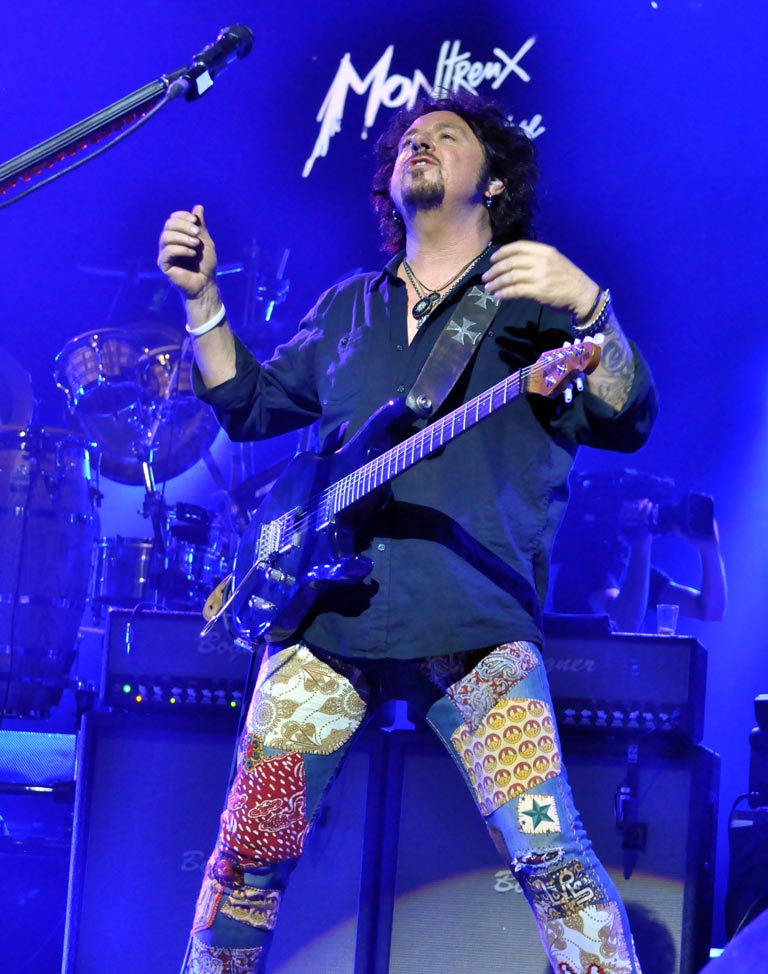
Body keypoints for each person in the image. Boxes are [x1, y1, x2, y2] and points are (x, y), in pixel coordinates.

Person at [158, 92, 657, 974]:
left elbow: (627, 414)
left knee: (553, 864)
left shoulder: (535, 301)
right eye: (408, 139)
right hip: (325, 619)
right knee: (246, 861)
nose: (419, 142)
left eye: (447, 136)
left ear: (494, 183)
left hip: (474, 619)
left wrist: (591, 307)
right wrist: (204, 303)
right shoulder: (348, 307)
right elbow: (250, 406)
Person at [550, 471, 727, 632]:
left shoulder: (634, 573)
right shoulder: (582, 566)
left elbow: (710, 610)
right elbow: (622, 625)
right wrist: (641, 546)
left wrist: (709, 550)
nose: (648, 512)